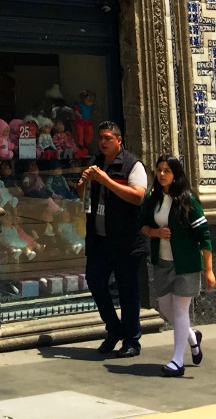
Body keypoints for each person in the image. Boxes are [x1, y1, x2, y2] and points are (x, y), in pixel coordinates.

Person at [78, 119, 148, 358]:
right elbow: (82, 195)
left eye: (108, 138)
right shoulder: (96, 161)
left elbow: (138, 197)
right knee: (95, 281)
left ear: (119, 140)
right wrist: (84, 183)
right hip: (99, 239)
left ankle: (132, 340)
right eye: (101, 138)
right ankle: (114, 328)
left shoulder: (132, 164)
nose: (103, 142)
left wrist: (106, 180)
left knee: (128, 292)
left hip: (126, 240)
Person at [140, 155, 216, 376]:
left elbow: (205, 236)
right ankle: (192, 337)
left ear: (176, 174)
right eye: (159, 170)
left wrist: (209, 270)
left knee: (181, 309)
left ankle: (177, 361)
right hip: (163, 262)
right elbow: (142, 224)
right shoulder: (152, 198)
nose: (162, 175)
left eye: (167, 171)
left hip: (186, 264)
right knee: (165, 308)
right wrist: (155, 232)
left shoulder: (188, 201)